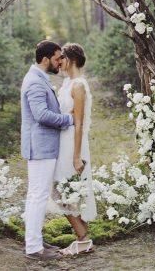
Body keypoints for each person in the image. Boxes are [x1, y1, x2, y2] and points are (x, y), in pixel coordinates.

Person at [21, 40, 74, 261]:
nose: (59, 62)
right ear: (45, 59)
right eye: (56, 58)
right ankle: (33, 248)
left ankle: (36, 240)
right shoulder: (35, 82)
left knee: (38, 195)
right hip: (40, 147)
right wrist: (70, 119)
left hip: (44, 147)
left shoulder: (39, 78)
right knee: (38, 196)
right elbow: (41, 115)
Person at [47, 43, 97, 256]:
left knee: (66, 190)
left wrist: (77, 157)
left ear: (72, 60)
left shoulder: (79, 85)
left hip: (73, 144)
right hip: (62, 141)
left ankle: (83, 239)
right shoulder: (66, 83)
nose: (59, 62)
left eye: (62, 59)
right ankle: (84, 238)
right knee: (61, 190)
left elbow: (78, 123)